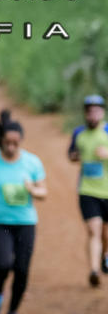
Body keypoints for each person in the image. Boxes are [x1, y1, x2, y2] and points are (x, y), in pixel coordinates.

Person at [0, 115, 47, 314]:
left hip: (25, 222)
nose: (11, 147)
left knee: (22, 269)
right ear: (1, 141)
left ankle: (13, 311)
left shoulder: (32, 162)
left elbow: (44, 192)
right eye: (7, 142)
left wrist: (32, 189)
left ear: (21, 141)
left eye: (15, 143)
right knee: (3, 263)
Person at [67, 94, 108, 287]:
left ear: (102, 112)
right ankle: (94, 270)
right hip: (87, 190)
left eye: (96, 111)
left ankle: (104, 256)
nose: (93, 115)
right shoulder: (78, 133)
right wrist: (74, 156)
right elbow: (71, 154)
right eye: (89, 111)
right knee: (94, 229)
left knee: (105, 234)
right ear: (85, 113)